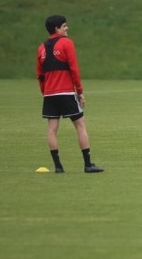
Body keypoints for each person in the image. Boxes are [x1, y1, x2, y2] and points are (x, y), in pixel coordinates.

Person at [37, 15, 103, 173]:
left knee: (52, 129)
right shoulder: (67, 43)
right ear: (56, 29)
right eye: (64, 26)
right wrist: (80, 92)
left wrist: (45, 92)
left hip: (49, 94)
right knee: (80, 125)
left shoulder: (41, 48)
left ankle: (58, 167)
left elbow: (40, 75)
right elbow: (74, 69)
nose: (67, 28)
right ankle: (88, 164)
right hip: (66, 92)